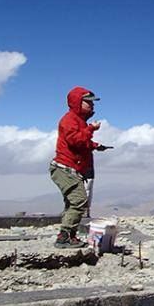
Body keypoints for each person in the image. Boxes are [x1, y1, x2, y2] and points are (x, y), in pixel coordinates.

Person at [50, 87, 112, 248]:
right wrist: (91, 129)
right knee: (79, 201)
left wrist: (96, 146)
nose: (92, 106)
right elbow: (75, 140)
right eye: (88, 102)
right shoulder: (69, 120)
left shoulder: (78, 121)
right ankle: (63, 237)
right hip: (64, 167)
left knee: (72, 203)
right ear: (77, 102)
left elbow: (82, 143)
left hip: (70, 168)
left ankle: (70, 236)